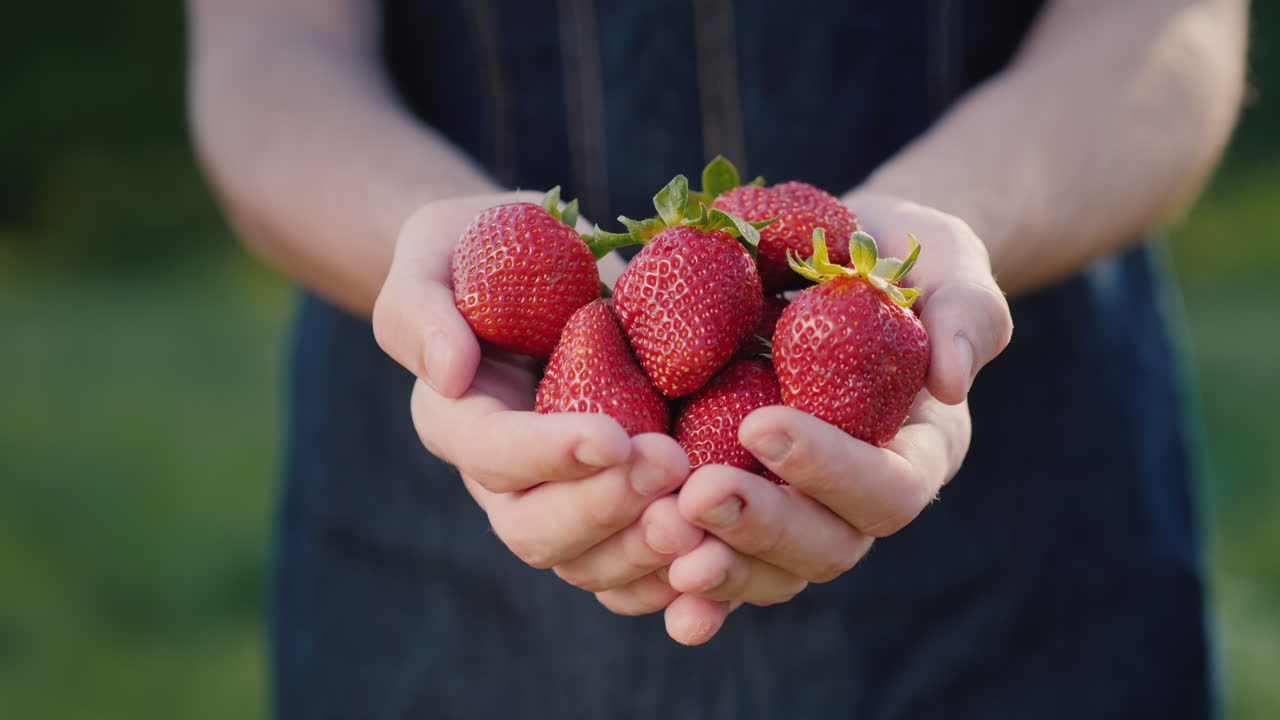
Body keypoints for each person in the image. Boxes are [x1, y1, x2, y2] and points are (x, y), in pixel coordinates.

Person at [188, 0, 1247, 717]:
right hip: (431, 564)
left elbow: (1159, 27)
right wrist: (432, 242)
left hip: (1026, 547)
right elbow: (270, 47)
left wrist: (933, 235)